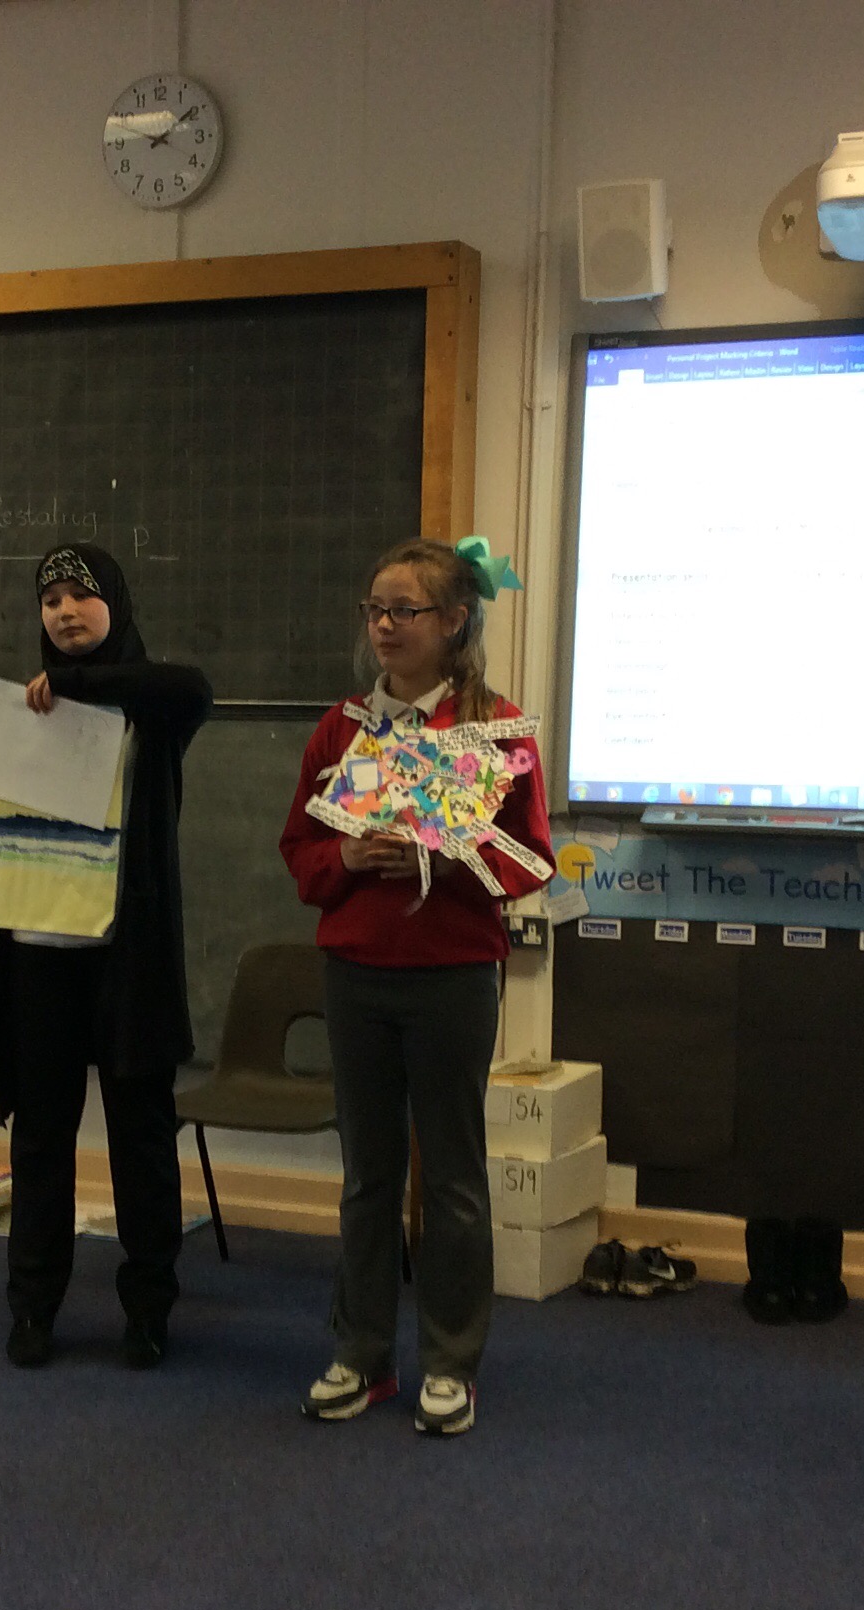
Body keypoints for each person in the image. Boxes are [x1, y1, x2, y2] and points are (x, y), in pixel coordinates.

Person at [279, 536, 554, 1436]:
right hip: (355, 974)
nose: (385, 626)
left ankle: (450, 1364)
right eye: (375, 610)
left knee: (455, 1179)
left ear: (455, 621)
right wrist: (349, 858)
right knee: (368, 1176)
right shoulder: (344, 728)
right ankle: (362, 1355)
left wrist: (444, 857)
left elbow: (531, 859)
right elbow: (300, 849)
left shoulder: (494, 731)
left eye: (405, 610)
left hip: (452, 978)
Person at [0, 543, 213, 1370]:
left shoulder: (153, 709)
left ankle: (147, 1310)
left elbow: (190, 688)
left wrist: (82, 685)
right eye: (50, 601)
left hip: (126, 959)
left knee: (140, 1140)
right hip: (38, 953)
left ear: (115, 602)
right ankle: (32, 1308)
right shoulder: (26, 709)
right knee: (41, 1140)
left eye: (82, 595)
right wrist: (54, 694)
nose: (65, 611)